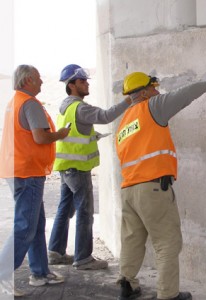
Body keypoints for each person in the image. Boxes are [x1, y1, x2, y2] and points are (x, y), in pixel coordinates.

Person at [115, 71, 206, 300]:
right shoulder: (152, 107)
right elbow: (183, 95)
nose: (158, 91)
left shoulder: (123, 124)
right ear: (143, 92)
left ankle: (128, 285)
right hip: (152, 189)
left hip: (128, 191)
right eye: (154, 87)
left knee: (132, 239)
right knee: (167, 243)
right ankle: (168, 295)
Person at [48, 64, 132, 270]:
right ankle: (83, 258)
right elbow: (106, 116)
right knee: (85, 211)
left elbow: (73, 133)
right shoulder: (80, 108)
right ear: (72, 85)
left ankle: (55, 251)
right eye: (83, 81)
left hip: (66, 166)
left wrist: (91, 136)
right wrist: (129, 101)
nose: (87, 84)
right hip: (78, 168)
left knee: (65, 208)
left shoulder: (65, 106)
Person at [0, 65, 71, 296]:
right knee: (25, 227)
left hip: (18, 170)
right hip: (27, 173)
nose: (42, 82)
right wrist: (60, 134)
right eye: (39, 78)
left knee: (36, 224)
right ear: (29, 79)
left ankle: (40, 273)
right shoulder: (29, 103)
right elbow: (40, 137)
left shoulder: (15, 102)